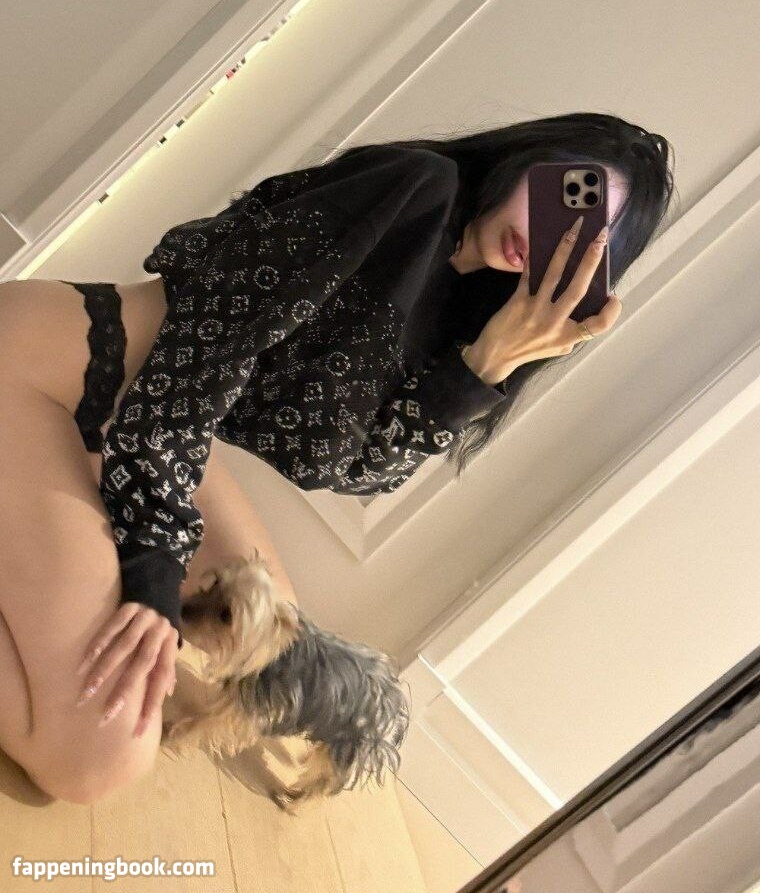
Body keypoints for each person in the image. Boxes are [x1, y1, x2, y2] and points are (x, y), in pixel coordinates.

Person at [0, 109, 675, 799]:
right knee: (100, 758)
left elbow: (346, 468)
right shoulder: (413, 186)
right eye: (567, 194)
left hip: (136, 428)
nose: (549, 235)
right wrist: (151, 565)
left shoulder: (472, 315)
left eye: (585, 237)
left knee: (272, 626)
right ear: (526, 160)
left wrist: (480, 370)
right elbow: (199, 356)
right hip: (48, 368)